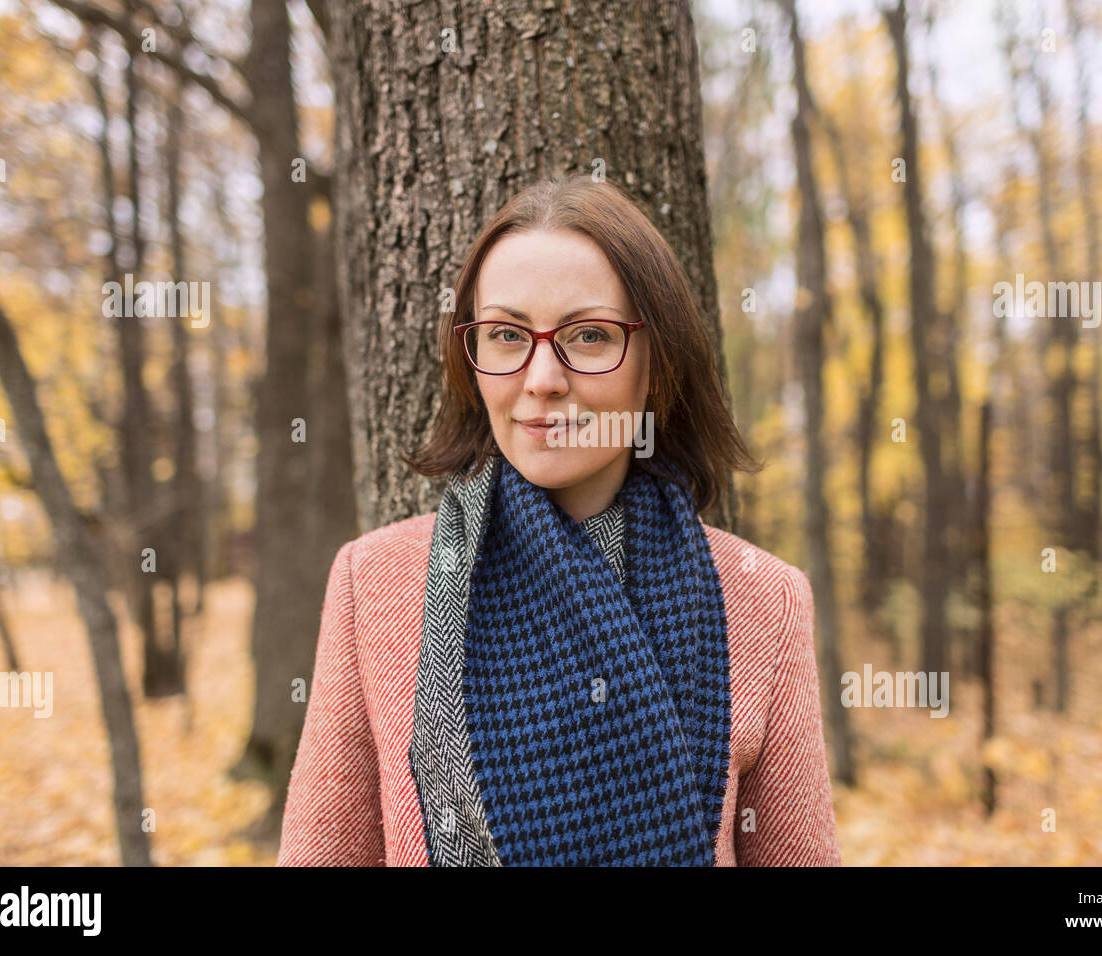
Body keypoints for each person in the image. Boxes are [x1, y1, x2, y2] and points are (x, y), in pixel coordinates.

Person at [276, 173, 841, 866]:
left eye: (590, 335)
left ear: (657, 368)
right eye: (508, 335)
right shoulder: (377, 582)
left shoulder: (764, 600)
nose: (542, 377)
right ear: (472, 359)